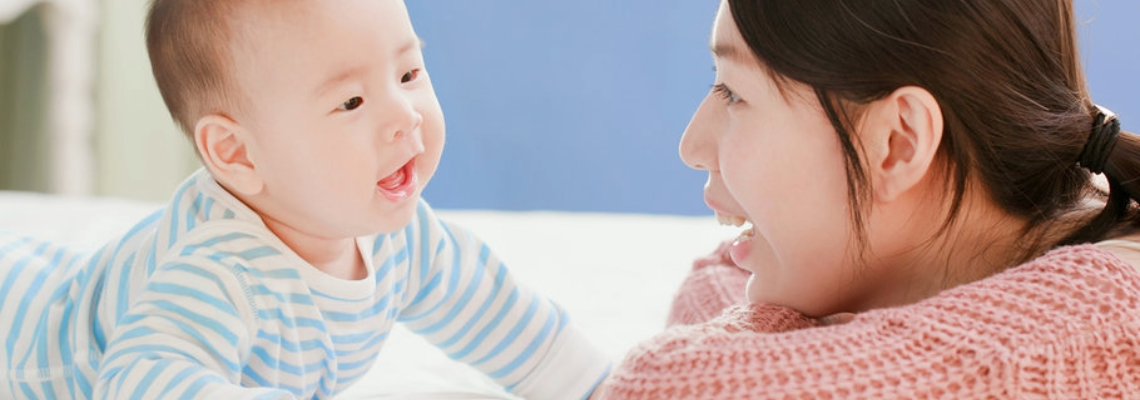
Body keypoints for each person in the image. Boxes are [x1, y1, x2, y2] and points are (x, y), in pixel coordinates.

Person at [0, 0, 610, 398]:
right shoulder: (220, 271)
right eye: (351, 102)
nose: (404, 116)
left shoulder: (405, 236)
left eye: (408, 74)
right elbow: (140, 381)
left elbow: (513, 326)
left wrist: (609, 388)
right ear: (238, 155)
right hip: (25, 342)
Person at [594, 0, 1140, 398]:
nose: (692, 146)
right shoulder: (1074, 225)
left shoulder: (1064, 340)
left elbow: (668, 381)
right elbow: (718, 278)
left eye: (735, 93)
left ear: (898, 142)